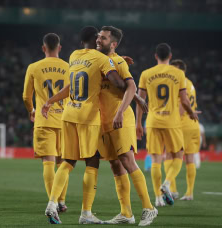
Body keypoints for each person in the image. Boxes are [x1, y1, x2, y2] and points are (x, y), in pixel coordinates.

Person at [42, 26, 127, 224]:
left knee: (67, 162)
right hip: (88, 118)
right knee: (92, 162)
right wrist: (125, 80)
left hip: (68, 114)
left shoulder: (73, 56)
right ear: (97, 39)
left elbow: (72, 86)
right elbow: (118, 83)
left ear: (81, 42)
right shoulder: (101, 59)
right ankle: (86, 213)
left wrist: (50, 100)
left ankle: (52, 203)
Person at [96, 26, 157, 226]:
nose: (98, 40)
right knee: (115, 164)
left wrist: (122, 110)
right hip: (104, 120)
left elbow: (130, 85)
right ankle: (126, 213)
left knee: (127, 160)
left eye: (103, 38)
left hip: (121, 118)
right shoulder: (99, 61)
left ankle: (149, 208)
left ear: (113, 44)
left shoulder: (118, 61)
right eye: (98, 37)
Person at [136, 43, 198, 207]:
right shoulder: (178, 73)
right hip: (172, 122)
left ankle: (157, 198)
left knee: (156, 158)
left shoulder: (146, 74)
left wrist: (138, 123)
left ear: (155, 56)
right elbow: (184, 101)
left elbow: (140, 102)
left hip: (153, 121)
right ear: (170, 56)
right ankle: (167, 183)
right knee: (178, 155)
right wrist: (191, 113)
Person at [22, 33, 69, 212]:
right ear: (59, 47)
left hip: (44, 120)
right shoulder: (69, 67)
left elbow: (26, 96)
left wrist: (31, 110)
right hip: (66, 121)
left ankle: (53, 202)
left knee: (48, 163)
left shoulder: (34, 67)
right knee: (63, 163)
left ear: (43, 48)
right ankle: (61, 201)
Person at [164, 59, 200, 201]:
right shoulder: (190, 84)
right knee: (189, 158)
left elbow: (180, 109)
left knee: (169, 155)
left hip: (181, 126)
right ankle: (189, 193)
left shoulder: (179, 83)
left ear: (180, 70)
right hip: (193, 125)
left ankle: (171, 189)